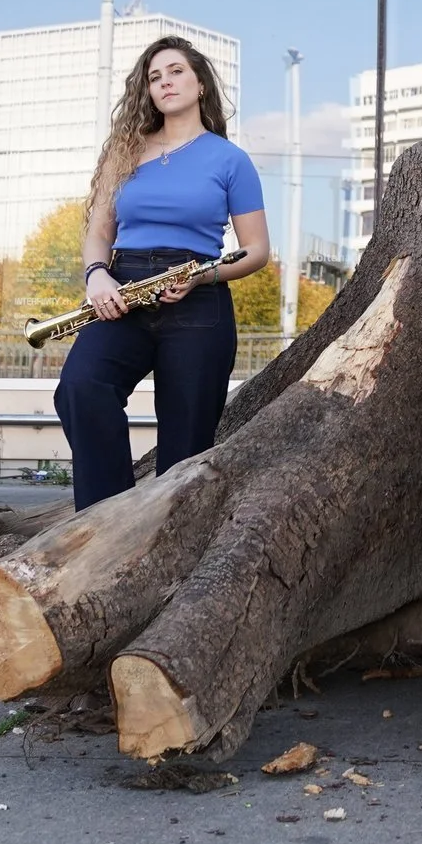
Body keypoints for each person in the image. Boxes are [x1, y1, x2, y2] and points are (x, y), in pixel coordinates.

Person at [56, 36, 270, 510]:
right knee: (80, 387)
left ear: (199, 84)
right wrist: (97, 276)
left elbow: (256, 251)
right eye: (155, 77)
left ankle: (168, 550)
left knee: (187, 443)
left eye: (175, 71)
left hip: (198, 296)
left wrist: (202, 278)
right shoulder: (124, 151)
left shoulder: (229, 159)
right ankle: (106, 518)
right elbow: (98, 233)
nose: (165, 82)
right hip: (122, 289)